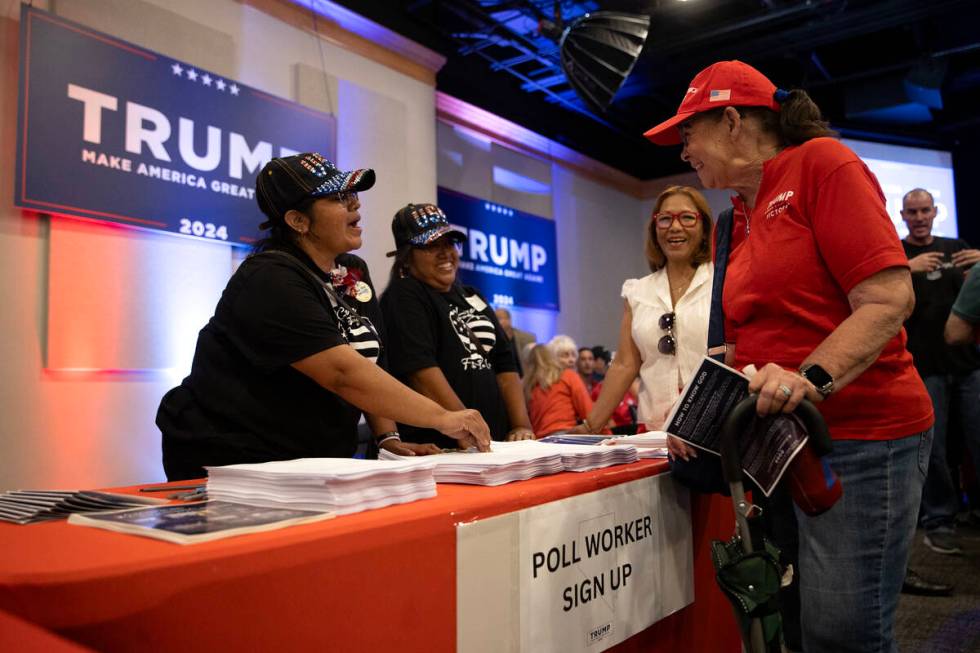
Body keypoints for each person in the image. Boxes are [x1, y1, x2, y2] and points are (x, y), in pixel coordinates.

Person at [644, 60, 933, 652]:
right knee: (798, 622)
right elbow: (752, 340)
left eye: (687, 135)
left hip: (860, 436)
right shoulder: (736, 218)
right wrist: (702, 420)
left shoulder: (823, 164)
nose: (683, 153)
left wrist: (810, 379)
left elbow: (887, 298)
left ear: (730, 120)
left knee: (844, 633)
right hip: (785, 447)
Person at [156, 154, 490, 480]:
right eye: (337, 197)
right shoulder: (269, 277)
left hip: (310, 460)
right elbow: (343, 373)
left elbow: (370, 366)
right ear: (298, 221)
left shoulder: (354, 271)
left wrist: (388, 439)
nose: (355, 204)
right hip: (236, 459)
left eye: (352, 195)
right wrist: (443, 418)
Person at [570, 186, 713, 451]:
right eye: (665, 218)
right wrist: (590, 426)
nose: (675, 227)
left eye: (687, 217)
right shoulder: (637, 292)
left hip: (713, 432)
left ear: (704, 227)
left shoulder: (721, 280)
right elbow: (625, 364)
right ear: (654, 228)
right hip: (654, 434)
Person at [381, 203, 535, 447]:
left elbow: (506, 366)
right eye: (432, 245)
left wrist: (521, 426)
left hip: (494, 445)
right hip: (442, 446)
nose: (445, 253)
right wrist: (466, 429)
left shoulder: (473, 295)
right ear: (406, 257)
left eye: (449, 244)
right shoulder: (405, 295)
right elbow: (421, 372)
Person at [901, 187, 980, 555]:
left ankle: (973, 510)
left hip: (968, 365)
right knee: (932, 451)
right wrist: (906, 270)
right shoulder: (897, 255)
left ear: (936, 212)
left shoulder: (956, 246)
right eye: (912, 212)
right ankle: (939, 519)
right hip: (924, 367)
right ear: (902, 216)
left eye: (925, 210)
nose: (919, 218)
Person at [523, 345, 594, 437]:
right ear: (554, 358)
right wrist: (607, 435)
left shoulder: (526, 386)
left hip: (538, 440)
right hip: (565, 436)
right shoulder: (568, 375)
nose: (571, 360)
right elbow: (588, 411)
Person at [494, 306, 537, 376]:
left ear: (509, 320)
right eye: (497, 319)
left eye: (502, 318)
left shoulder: (527, 338)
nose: (500, 322)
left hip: (524, 378)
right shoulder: (491, 340)